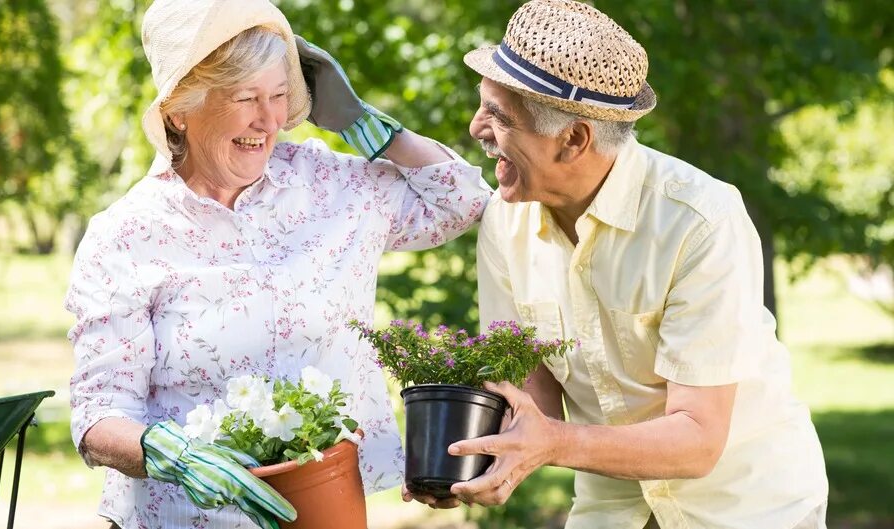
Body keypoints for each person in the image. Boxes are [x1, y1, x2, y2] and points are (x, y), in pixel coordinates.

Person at [64, 0, 492, 527]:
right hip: (178, 518)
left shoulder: (331, 187)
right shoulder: (125, 235)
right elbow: (99, 415)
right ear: (178, 110)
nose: (268, 121)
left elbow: (461, 201)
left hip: (324, 510)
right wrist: (172, 456)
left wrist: (365, 125)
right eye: (246, 98)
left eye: (281, 96)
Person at [403, 1, 829, 528]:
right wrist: (462, 457)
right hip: (613, 510)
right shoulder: (503, 222)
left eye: (499, 116)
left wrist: (551, 444)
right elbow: (531, 392)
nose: (476, 128)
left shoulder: (698, 221)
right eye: (483, 105)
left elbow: (698, 439)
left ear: (574, 139)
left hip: (745, 507)